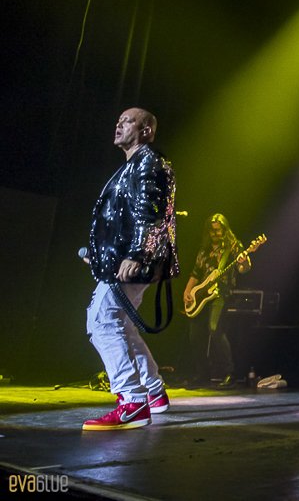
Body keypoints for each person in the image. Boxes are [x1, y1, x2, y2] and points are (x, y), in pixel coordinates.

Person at [83, 108, 178, 430]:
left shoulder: (148, 162)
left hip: (136, 259)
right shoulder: (136, 164)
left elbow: (150, 210)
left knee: (102, 321)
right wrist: (100, 254)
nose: (118, 124)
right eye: (118, 120)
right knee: (121, 324)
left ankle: (133, 401)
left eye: (127, 121)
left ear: (146, 130)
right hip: (127, 259)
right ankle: (152, 393)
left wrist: (138, 253)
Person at [183, 213, 251, 387]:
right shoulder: (204, 250)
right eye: (212, 231)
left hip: (221, 293)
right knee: (195, 334)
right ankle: (202, 374)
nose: (215, 234)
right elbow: (196, 273)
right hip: (201, 295)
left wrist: (244, 262)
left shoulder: (233, 246)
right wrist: (187, 291)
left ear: (225, 230)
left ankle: (229, 373)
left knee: (215, 330)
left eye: (218, 230)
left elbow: (244, 269)